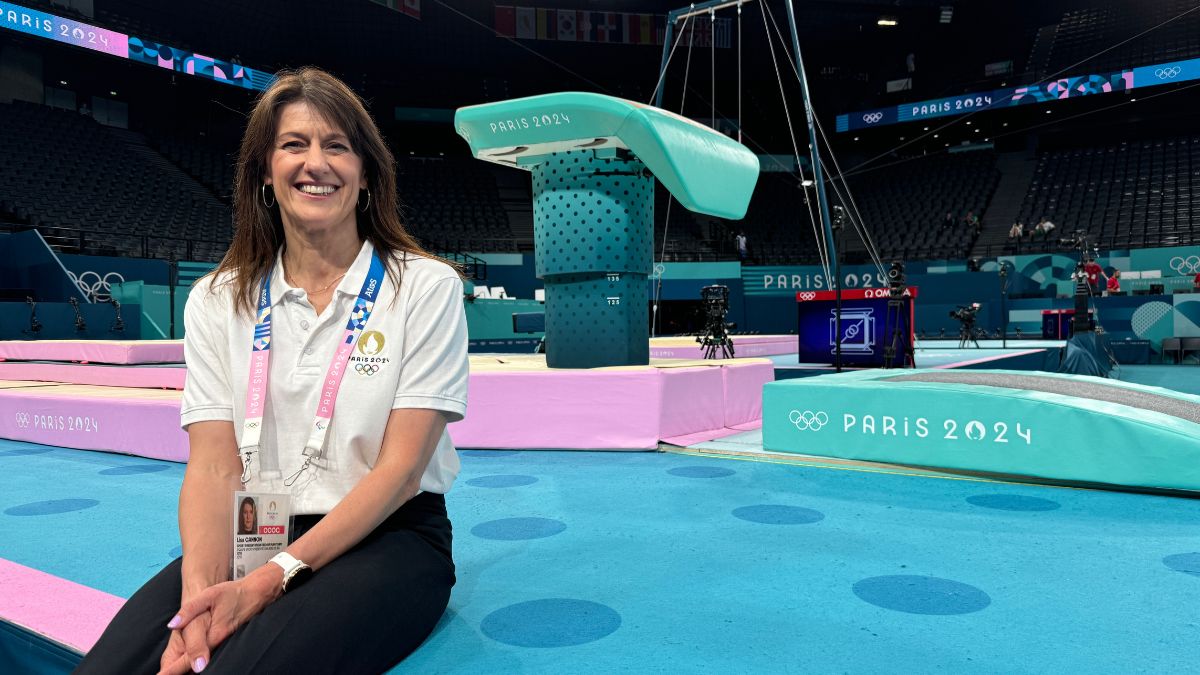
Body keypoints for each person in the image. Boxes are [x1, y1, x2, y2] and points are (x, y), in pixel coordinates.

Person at [76, 67, 468, 674]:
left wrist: (267, 582)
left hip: (389, 535)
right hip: (258, 530)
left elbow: (400, 471)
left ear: (365, 173)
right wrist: (199, 595)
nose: (318, 163)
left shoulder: (422, 287)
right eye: (294, 145)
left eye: (337, 145)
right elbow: (212, 465)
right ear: (264, 170)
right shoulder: (217, 298)